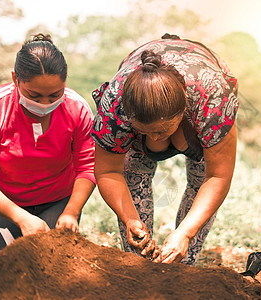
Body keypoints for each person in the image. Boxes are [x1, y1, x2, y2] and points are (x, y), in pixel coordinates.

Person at [92, 34, 238, 265]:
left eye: (162, 130)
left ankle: (181, 265)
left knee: (201, 176)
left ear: (183, 112)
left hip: (200, 90)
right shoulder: (114, 106)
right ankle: (141, 264)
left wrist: (185, 233)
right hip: (140, 105)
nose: (154, 137)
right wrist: (130, 219)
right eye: (145, 131)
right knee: (134, 172)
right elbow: (108, 172)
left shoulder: (211, 99)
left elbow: (217, 176)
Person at [0, 34, 96, 266]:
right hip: (1, 202)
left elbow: (87, 168)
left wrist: (71, 212)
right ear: (15, 79)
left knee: (54, 268)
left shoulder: (77, 110)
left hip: (57, 201)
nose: (44, 104)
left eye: (54, 95)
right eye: (34, 95)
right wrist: (20, 217)